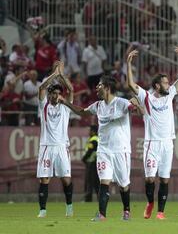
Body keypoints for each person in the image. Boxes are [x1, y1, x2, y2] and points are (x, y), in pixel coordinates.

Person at [59, 75, 134, 221]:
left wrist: (136, 105)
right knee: (104, 181)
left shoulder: (121, 103)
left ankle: (126, 211)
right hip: (104, 150)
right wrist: (65, 103)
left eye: (99, 85)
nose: (96, 88)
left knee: (123, 184)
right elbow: (82, 111)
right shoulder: (98, 105)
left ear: (107, 87)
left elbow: (136, 109)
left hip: (121, 150)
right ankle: (102, 214)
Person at [126, 47, 178, 220]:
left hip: (168, 143)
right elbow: (131, 85)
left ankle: (160, 212)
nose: (169, 85)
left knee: (165, 179)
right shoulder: (146, 97)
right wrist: (128, 64)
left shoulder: (170, 95)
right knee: (150, 179)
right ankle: (150, 203)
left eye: (169, 83)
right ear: (157, 86)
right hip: (152, 144)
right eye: (166, 83)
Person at [36, 61, 74, 218]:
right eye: (52, 93)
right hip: (46, 146)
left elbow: (71, 89)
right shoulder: (44, 106)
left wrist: (61, 74)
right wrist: (55, 73)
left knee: (66, 179)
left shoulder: (65, 106)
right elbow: (41, 88)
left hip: (61, 147)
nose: (54, 96)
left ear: (61, 95)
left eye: (57, 93)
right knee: (44, 179)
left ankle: (69, 207)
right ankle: (43, 210)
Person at [82, 125, 99, 202]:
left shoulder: (94, 140)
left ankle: (88, 199)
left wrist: (84, 159)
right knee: (96, 182)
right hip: (95, 163)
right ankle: (100, 199)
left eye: (90, 130)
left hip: (92, 163)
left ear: (93, 131)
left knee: (89, 182)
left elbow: (90, 151)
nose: (89, 132)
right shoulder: (97, 139)